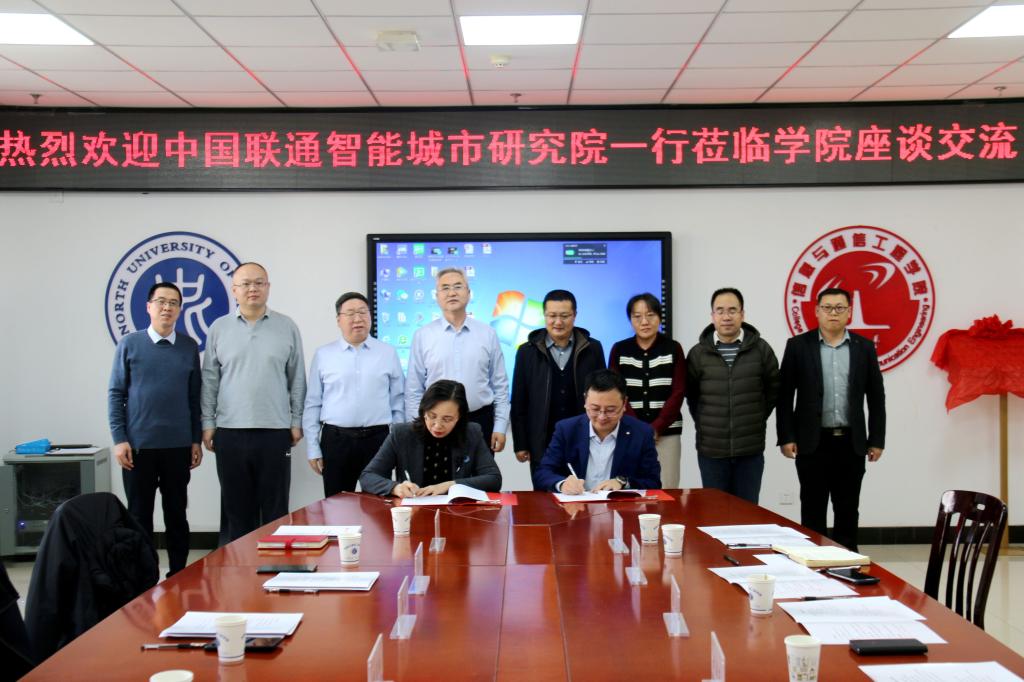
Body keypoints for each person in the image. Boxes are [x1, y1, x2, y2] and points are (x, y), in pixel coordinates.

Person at [201, 262, 306, 543]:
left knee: (275, 508)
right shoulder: (219, 328)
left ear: (268, 287)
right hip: (229, 430)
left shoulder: (286, 326)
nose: (253, 289)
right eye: (246, 284)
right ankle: (237, 566)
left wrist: (296, 421)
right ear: (234, 290)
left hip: (275, 430)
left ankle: (276, 564)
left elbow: (297, 378)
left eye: (259, 283)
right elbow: (210, 379)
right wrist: (208, 422)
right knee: (236, 509)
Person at [777, 287, 885, 552]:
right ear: (816, 311)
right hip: (812, 443)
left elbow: (876, 397)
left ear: (849, 312)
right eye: (827, 308)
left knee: (847, 509)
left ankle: (847, 565)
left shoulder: (864, 348)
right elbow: (784, 395)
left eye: (839, 308)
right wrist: (786, 436)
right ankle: (811, 565)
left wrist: (877, 439)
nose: (833, 313)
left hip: (851, 443)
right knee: (812, 509)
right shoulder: (798, 346)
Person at [107, 281, 201, 576]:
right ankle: (143, 577)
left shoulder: (188, 347)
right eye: (161, 301)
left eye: (173, 303)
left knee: (176, 514)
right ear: (148, 307)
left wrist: (195, 439)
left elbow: (194, 397)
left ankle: (178, 574)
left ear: (179, 310)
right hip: (138, 447)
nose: (167, 307)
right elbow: (116, 394)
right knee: (138, 516)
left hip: (178, 446)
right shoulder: (129, 344)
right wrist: (119, 439)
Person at [303, 292, 404, 498]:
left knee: (378, 504)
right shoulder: (324, 354)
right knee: (337, 504)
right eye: (350, 313)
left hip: (378, 440)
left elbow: (399, 402)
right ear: (338, 320)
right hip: (336, 440)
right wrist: (313, 447)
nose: (357, 319)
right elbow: (313, 403)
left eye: (362, 312)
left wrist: (398, 444)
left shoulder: (387, 352)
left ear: (370, 316)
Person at [685, 288, 780, 504]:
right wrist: (708, 422)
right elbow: (692, 397)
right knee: (715, 512)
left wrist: (755, 417)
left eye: (732, 310)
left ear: (742, 314)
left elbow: (773, 389)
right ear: (712, 316)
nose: (726, 317)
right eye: (720, 311)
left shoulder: (761, 350)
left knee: (748, 511)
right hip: (712, 451)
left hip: (749, 450)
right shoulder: (698, 353)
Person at [406, 267, 509, 454]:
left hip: (480, 421)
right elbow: (414, 389)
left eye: (458, 286)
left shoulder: (487, 334)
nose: (452, 293)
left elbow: (500, 386)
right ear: (437, 296)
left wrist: (500, 427)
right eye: (445, 288)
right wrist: (418, 428)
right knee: (438, 473)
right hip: (436, 424)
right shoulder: (423, 336)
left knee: (480, 473)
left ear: (468, 293)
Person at [511, 289, 606, 489]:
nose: (558, 322)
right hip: (542, 438)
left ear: (575, 315)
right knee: (544, 494)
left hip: (583, 435)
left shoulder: (593, 348)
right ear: (544, 315)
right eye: (552, 316)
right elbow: (519, 400)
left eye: (564, 316)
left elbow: (603, 394)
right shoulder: (527, 352)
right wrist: (521, 443)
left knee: (584, 493)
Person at [360, 380, 502, 497]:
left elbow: (493, 479)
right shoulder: (402, 434)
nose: (437, 425)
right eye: (432, 416)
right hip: (414, 511)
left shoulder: (471, 433)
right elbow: (368, 476)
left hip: (456, 512)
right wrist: (395, 488)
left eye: (447, 419)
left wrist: (451, 485)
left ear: (459, 417)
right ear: (423, 412)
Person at [534, 370, 661, 493]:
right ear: (585, 401)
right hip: (576, 505)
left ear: (624, 404)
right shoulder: (566, 430)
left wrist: (623, 482)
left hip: (618, 506)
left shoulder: (642, 433)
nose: (602, 417)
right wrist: (562, 484)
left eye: (610, 410)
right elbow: (542, 473)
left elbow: (653, 481)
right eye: (595, 409)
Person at [609, 293, 685, 488]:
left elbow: (678, 391)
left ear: (659, 317)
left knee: (667, 489)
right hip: (629, 432)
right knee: (628, 489)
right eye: (637, 316)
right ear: (630, 319)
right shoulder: (620, 350)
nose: (644, 322)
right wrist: (639, 429)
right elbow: (616, 393)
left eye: (650, 315)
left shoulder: (673, 348)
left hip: (666, 433)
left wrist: (656, 428)